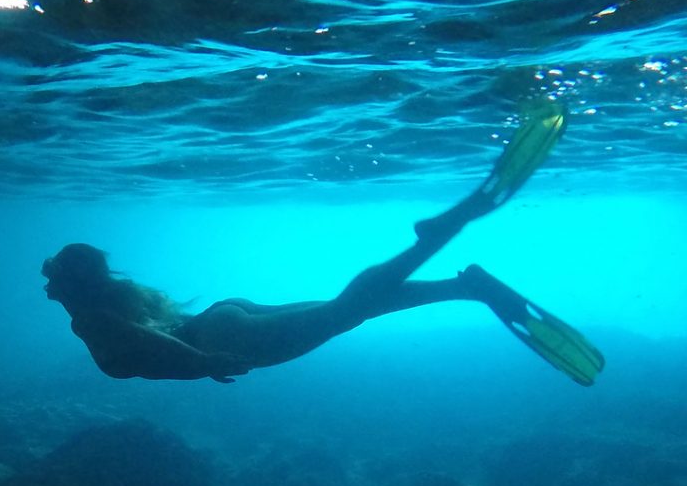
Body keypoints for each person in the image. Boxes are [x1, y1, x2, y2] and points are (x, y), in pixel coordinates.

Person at [42, 104, 604, 387]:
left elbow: (145, 341)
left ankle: (437, 237)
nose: (46, 289)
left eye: (51, 280)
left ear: (69, 285)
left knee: (344, 311)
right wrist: (201, 351)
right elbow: (149, 332)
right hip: (221, 318)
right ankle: (465, 287)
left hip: (220, 337)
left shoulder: (88, 320)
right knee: (348, 311)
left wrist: (204, 363)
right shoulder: (111, 302)